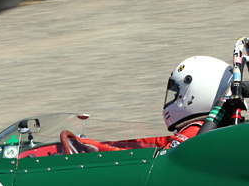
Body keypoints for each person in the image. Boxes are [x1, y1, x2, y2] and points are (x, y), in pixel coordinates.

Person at [52, 54, 236, 155]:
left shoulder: (194, 132)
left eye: (176, 92)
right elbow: (156, 147)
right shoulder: (210, 128)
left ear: (195, 93)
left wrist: (96, 147)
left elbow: (159, 163)